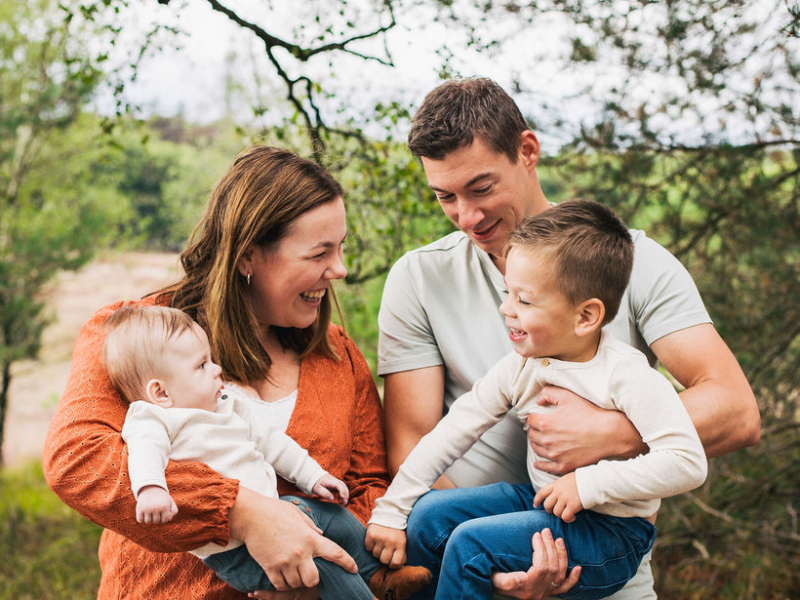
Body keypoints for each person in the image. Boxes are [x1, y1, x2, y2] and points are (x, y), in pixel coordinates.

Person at [378, 77, 760, 599]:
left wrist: (613, 433)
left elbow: (737, 410)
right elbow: (413, 442)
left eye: (482, 188)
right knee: (432, 525)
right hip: (479, 552)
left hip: (598, 545)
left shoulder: (632, 262)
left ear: (527, 151)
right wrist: (488, 563)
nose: (468, 216)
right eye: (446, 196)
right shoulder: (419, 278)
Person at [44, 146, 391, 600]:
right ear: (247, 257)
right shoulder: (132, 337)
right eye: (318, 253)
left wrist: (324, 572)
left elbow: (366, 485)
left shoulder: (338, 357)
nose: (340, 269)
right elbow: (78, 460)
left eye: (341, 247)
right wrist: (241, 512)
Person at [366, 199, 708, 599]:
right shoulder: (523, 365)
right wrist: (392, 510)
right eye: (508, 293)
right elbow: (453, 433)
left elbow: (687, 463)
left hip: (612, 534)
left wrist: (588, 483)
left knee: (469, 546)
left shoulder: (626, 374)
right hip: (542, 503)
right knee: (427, 516)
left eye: (523, 300)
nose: (506, 309)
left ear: (586, 317)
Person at [101, 305, 429, 600]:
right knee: (321, 565)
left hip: (280, 513)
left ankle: (380, 576)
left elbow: (272, 442)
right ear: (160, 392)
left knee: (335, 518)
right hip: (233, 550)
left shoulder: (226, 403)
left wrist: (314, 476)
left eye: (211, 359)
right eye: (201, 366)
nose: (217, 370)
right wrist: (151, 489)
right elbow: (144, 453)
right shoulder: (153, 418)